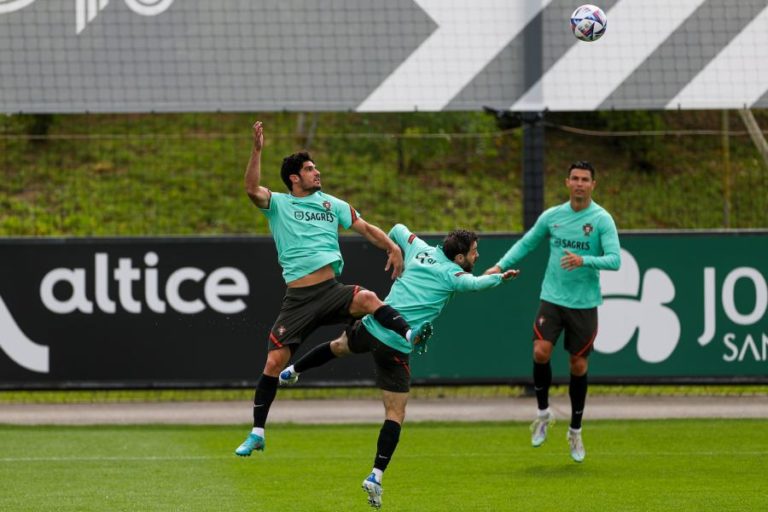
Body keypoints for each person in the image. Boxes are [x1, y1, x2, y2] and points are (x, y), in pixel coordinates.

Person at [279, 224, 519, 509]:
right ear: (459, 258)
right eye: (474, 252)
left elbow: (397, 229)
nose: (477, 256)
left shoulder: (419, 248)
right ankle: (376, 476)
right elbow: (475, 284)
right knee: (395, 413)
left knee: (338, 346)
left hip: (373, 325)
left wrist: (395, 251)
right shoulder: (451, 275)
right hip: (395, 345)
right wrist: (501, 279)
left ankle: (292, 371)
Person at [234, 121, 432, 457]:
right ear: (294, 178)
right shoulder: (279, 204)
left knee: (369, 298)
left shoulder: (332, 205)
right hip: (298, 299)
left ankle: (410, 334)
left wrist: (392, 248)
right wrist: (256, 151)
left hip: (330, 290)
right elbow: (252, 189)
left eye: (315, 167)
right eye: (309, 169)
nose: (317, 172)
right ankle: (257, 432)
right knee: (272, 363)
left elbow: (365, 227)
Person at [484, 161, 620, 463]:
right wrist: (501, 265)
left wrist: (585, 260)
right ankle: (543, 413)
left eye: (586, 179)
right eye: (575, 178)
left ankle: (575, 430)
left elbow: (614, 260)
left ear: (593, 185)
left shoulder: (601, 220)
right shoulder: (553, 217)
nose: (580, 183)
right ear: (567, 182)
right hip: (553, 298)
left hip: (584, 303)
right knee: (541, 351)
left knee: (578, 366)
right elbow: (527, 243)